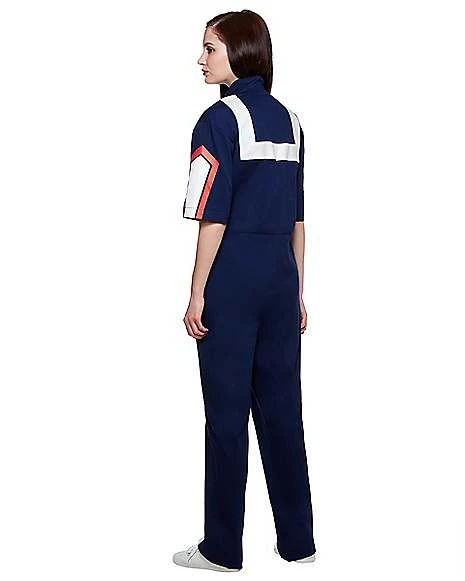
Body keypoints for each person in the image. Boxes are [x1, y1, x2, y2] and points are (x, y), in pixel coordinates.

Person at [173, 10, 316, 572]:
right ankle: (298, 543)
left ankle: (222, 549)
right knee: (283, 412)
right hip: (280, 279)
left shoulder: (216, 120)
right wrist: (297, 291)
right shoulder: (293, 122)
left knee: (227, 416)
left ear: (239, 51)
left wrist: (196, 293)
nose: (201, 59)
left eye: (210, 48)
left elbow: (212, 216)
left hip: (232, 279)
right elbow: (299, 220)